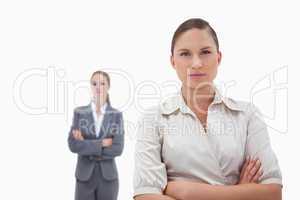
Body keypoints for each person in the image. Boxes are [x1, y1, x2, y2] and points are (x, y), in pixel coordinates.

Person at [133, 18, 282, 200]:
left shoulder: (247, 115)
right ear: (173, 61)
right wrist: (241, 191)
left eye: (205, 52)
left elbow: (272, 193)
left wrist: (184, 192)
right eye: (185, 54)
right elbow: (145, 196)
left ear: (218, 58)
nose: (196, 63)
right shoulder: (153, 118)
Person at [68, 70, 124, 200]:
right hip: (84, 177)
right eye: (94, 83)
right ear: (90, 86)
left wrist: (86, 144)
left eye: (102, 83)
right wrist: (102, 143)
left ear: (108, 86)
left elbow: (118, 148)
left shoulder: (116, 115)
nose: (98, 87)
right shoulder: (79, 113)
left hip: (108, 178)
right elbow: (73, 145)